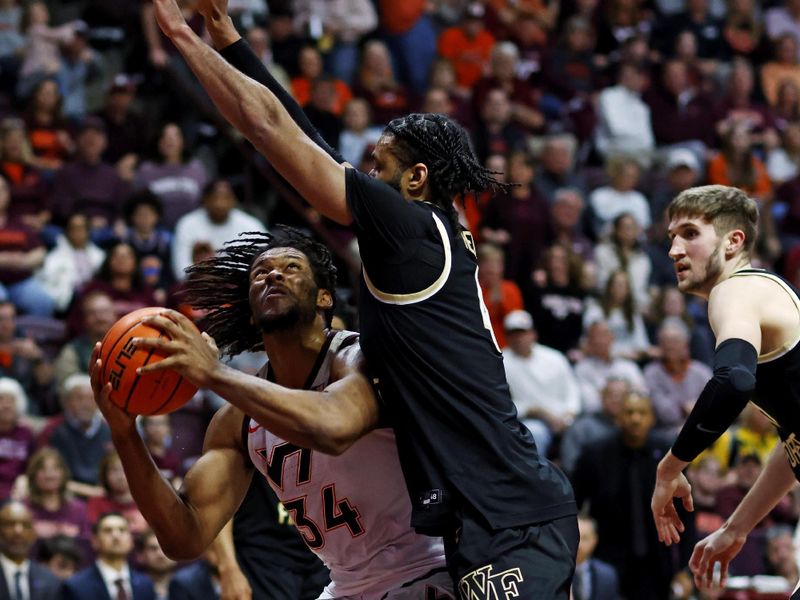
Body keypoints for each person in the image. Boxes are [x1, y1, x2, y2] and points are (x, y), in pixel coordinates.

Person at [156, 0, 579, 594]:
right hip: (479, 518)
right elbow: (304, 139)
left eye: (379, 168)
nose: (363, 178)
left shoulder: (411, 228)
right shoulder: (423, 242)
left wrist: (181, 37)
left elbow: (271, 131)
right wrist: (229, 40)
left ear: (416, 179)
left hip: (512, 512)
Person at [91, 228, 454, 599]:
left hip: (428, 567)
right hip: (346, 586)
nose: (274, 274)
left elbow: (334, 427)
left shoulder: (358, 357)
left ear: (324, 297)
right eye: (260, 272)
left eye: (292, 267)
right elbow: (185, 537)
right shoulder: (237, 421)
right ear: (250, 313)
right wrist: (124, 434)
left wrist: (215, 374)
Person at [650, 184, 800, 595]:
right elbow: (795, 441)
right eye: (671, 238)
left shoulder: (734, 291)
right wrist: (737, 527)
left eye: (690, 234)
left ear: (734, 241)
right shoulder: (765, 291)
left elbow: (734, 380)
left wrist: (670, 467)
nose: (674, 250)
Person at [61, 512, 156, 600]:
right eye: (108, 530)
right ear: (95, 541)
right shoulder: (76, 586)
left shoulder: (146, 584)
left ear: (131, 541)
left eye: (122, 530)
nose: (116, 535)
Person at [0, 501, 60, 600]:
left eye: (26, 525)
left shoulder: (49, 580)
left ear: (34, 534)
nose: (18, 531)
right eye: (10, 524)